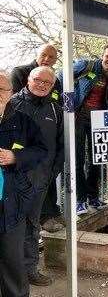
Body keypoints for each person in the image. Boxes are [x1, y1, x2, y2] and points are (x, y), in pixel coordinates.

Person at [10, 67, 64, 286]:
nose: (42, 85)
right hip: (11, 180)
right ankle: (10, 272)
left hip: (40, 181)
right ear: (28, 80)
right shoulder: (11, 104)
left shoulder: (55, 109)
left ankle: (29, 269)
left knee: (32, 226)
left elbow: (61, 146)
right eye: (38, 80)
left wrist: (52, 172)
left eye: (47, 83)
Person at [60, 44, 108, 215]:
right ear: (102, 55)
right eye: (107, 56)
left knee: (98, 159)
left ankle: (93, 196)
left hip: (99, 120)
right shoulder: (86, 65)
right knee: (78, 159)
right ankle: (80, 200)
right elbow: (62, 75)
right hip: (79, 117)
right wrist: (68, 106)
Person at [0, 70, 47, 297]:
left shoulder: (22, 122)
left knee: (12, 259)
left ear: (10, 93)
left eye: (2, 89)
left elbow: (40, 151)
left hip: (12, 204)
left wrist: (15, 157)